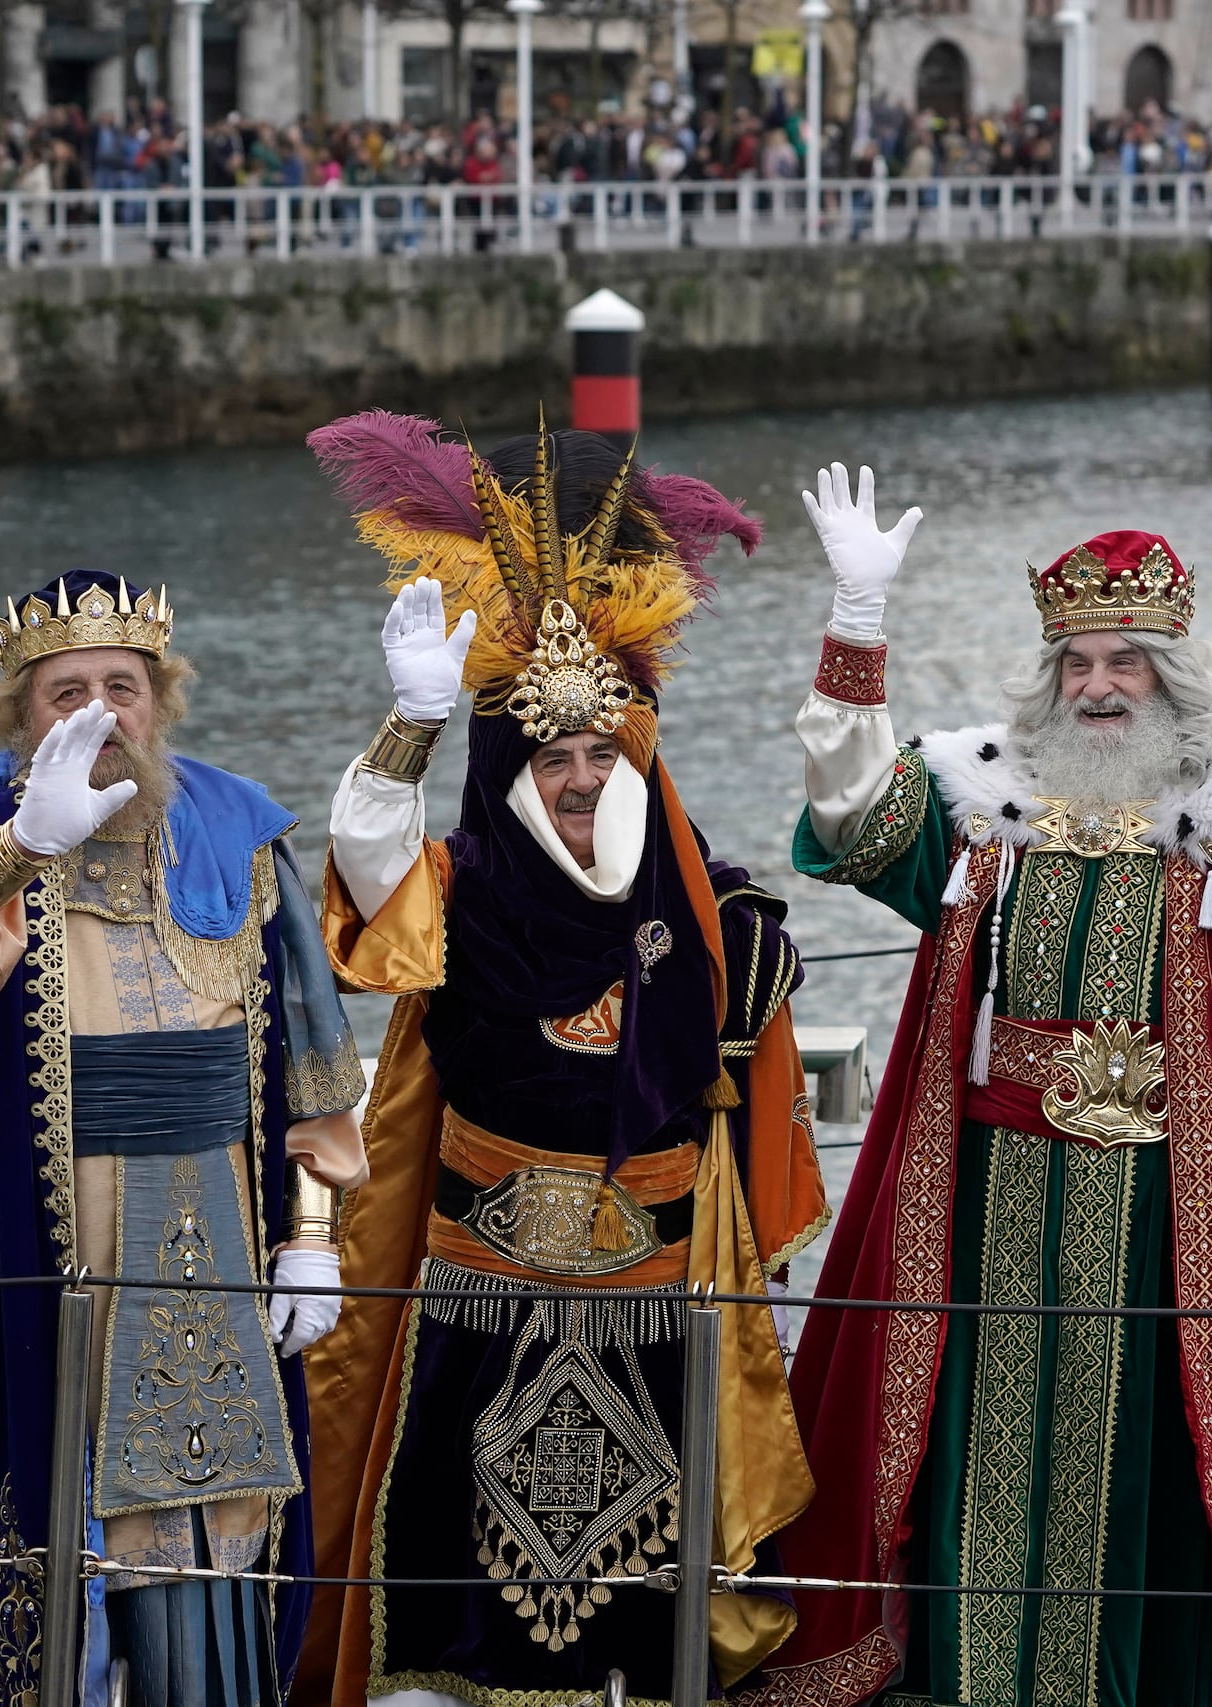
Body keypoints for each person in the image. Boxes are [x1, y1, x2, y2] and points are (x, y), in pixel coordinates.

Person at [740, 468, 1212, 1707]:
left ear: (1173, 673)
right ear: (1047, 679)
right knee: (980, 1451)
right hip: (993, 1201)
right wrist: (855, 623)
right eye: (1078, 665)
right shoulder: (980, 807)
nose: (1100, 687)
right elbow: (843, 816)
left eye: (1127, 663)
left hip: (1170, 1217)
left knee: (1150, 1463)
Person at [296, 414, 828, 1707]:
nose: (581, 776)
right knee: (455, 1573)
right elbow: (366, 864)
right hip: (479, 1282)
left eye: (602, 751)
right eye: (552, 754)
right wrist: (413, 722)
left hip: (654, 1284)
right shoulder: (460, 890)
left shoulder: (716, 913)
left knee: (645, 1597)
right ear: (510, 765)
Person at [0, 571, 367, 1707]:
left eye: (121, 688)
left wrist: (313, 1233)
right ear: (18, 717)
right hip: (32, 1234)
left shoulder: (239, 827)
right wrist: (20, 845)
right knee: (33, 1502)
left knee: (209, 1533)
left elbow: (315, 1055)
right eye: (64, 692)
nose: (98, 713)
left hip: (216, 1246)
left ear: (161, 700)